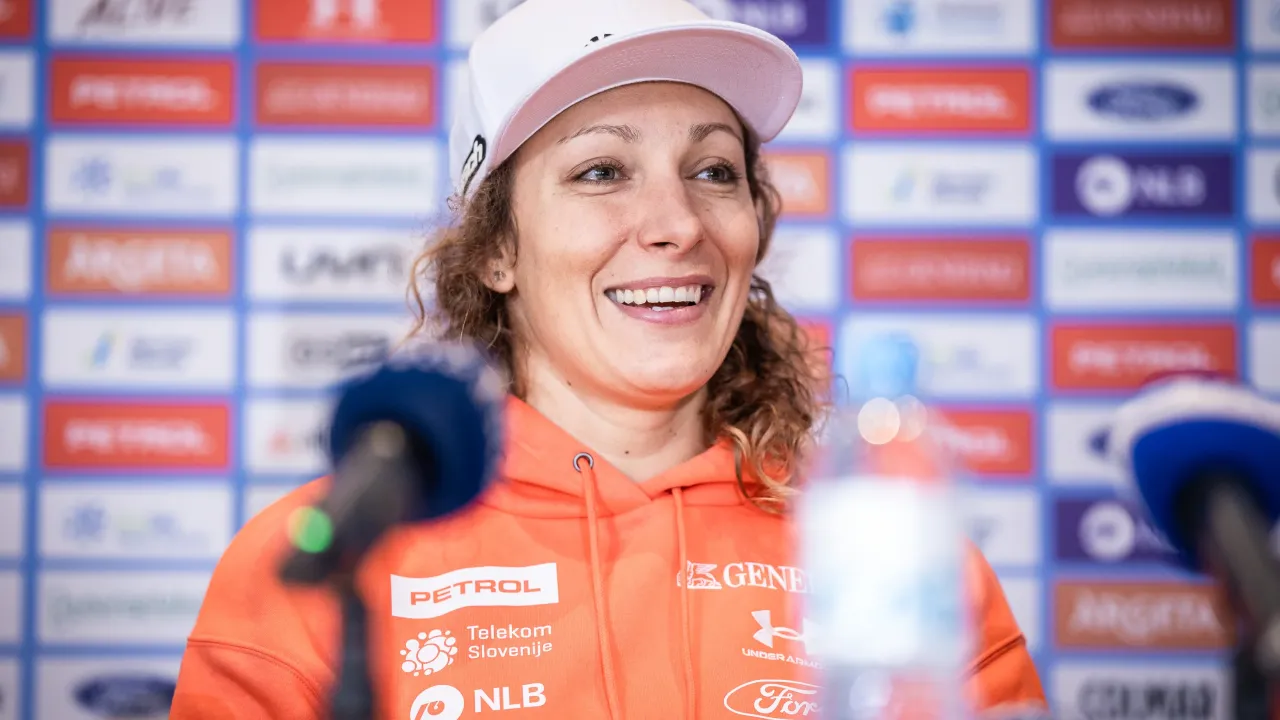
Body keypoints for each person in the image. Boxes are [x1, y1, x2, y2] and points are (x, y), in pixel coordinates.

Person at [171, 0, 1047, 717]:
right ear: (497, 249)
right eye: (601, 172)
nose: (679, 224)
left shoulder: (890, 556)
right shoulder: (327, 559)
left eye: (713, 170)